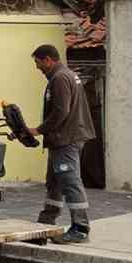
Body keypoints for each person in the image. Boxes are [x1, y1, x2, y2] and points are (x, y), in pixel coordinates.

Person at [30, 44, 96, 243]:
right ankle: (46, 223)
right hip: (63, 139)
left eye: (38, 62)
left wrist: (38, 130)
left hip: (66, 139)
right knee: (55, 182)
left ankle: (81, 229)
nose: (37, 67)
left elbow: (61, 112)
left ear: (48, 60)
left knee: (69, 181)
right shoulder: (66, 75)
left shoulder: (59, 78)